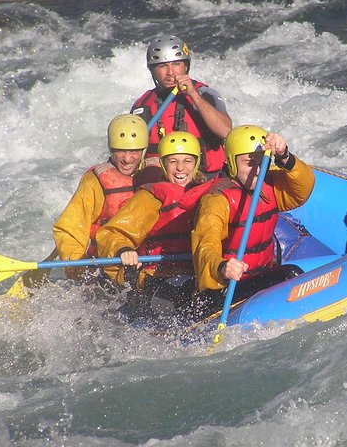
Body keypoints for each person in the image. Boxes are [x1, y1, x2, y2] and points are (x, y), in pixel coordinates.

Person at [189, 125, 315, 320]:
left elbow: (303, 189)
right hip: (223, 289)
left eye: (260, 162)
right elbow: (205, 245)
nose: (257, 170)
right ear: (231, 163)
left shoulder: (269, 187)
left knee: (291, 275)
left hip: (259, 278)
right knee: (291, 275)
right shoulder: (216, 200)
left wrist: (284, 156)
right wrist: (222, 267)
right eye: (249, 163)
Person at [95, 131, 217, 311]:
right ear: (163, 164)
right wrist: (124, 249)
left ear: (196, 163)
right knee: (181, 295)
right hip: (158, 274)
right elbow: (112, 233)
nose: (180, 168)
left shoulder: (210, 194)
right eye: (173, 161)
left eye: (187, 161)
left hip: (197, 270)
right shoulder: (150, 197)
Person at [52, 114, 149, 281]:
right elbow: (69, 231)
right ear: (111, 149)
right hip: (106, 266)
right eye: (120, 151)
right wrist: (80, 268)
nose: (127, 158)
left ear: (144, 150)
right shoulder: (94, 182)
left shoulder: (157, 176)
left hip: (148, 264)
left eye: (133, 151)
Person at [130, 34, 232, 183]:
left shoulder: (204, 95)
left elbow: (226, 131)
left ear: (186, 66)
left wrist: (193, 95)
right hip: (163, 183)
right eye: (162, 65)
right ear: (153, 71)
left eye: (176, 64)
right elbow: (128, 154)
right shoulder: (142, 106)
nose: (171, 72)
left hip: (207, 180)